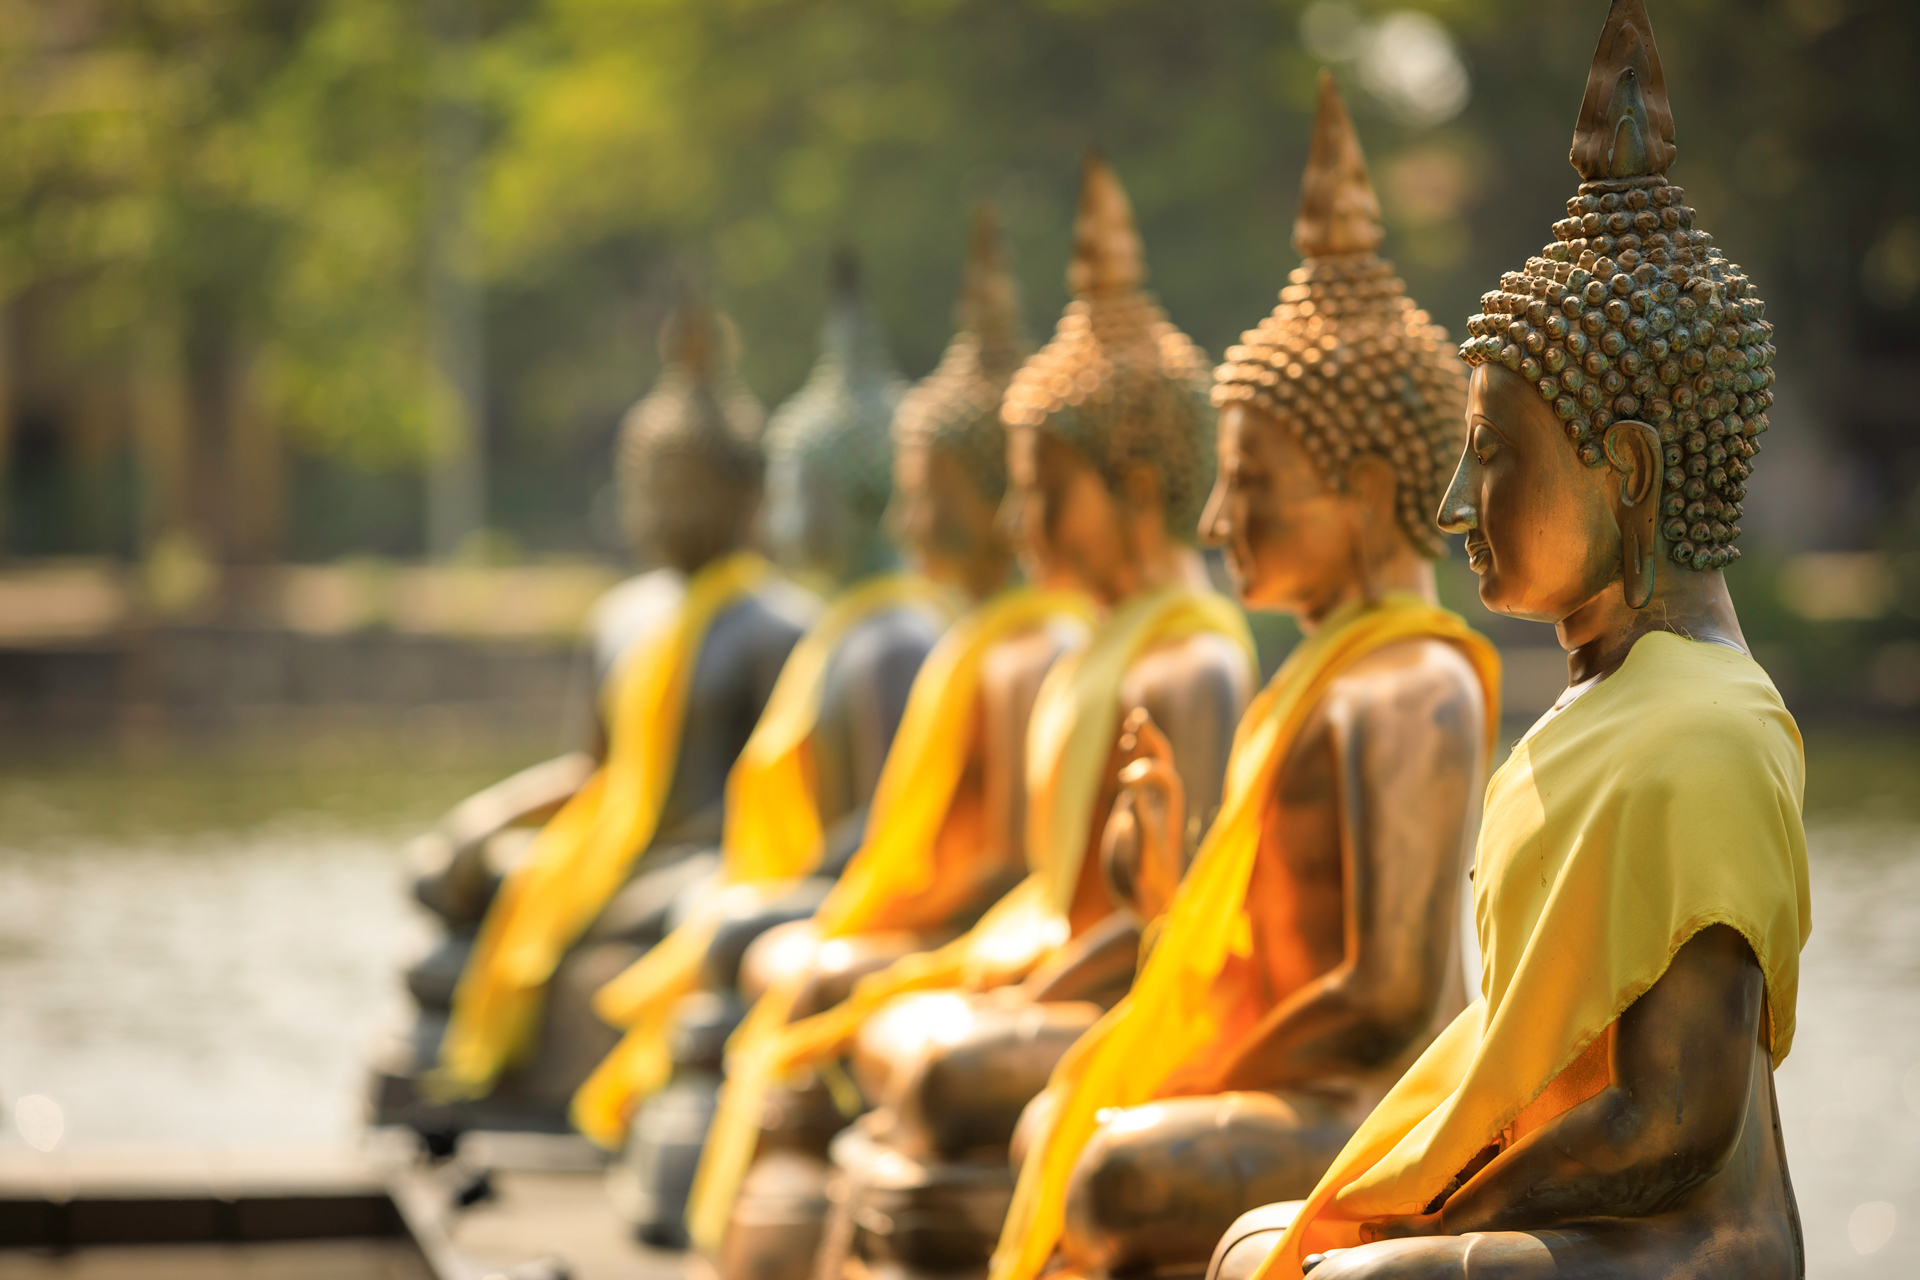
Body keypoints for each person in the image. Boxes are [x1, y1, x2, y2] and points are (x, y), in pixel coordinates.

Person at [1214, 4, 1809, 1277]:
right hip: (1567, 1207)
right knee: (1259, 1242)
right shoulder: (1600, 706)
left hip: (1687, 1244)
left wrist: (1433, 1210)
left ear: (1628, 469)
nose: (1453, 507)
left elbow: (1674, 1122)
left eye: (1491, 457)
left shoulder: (1706, 729)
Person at [991, 71, 1501, 1280]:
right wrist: (1162, 888)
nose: (1219, 519)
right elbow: (1255, 944)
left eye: (1254, 485)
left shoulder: (1407, 687)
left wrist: (1201, 1059)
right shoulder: (1314, 677)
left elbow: (1385, 995)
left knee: (1110, 1162)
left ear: (1365, 489)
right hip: (1291, 1074)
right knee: (1062, 1116)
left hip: (1371, 1096)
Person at [771, 153, 1258, 1279]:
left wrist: (1028, 985)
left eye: (1043, 492)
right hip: (1045, 960)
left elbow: (1175, 922)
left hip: (1123, 990)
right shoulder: (1090, 652)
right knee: (880, 1030)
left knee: (937, 1068)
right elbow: (1038, 877)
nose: (1015, 521)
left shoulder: (1192, 665)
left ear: (1139, 489)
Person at [692, 204, 1098, 1280]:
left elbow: (1014, 863)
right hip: (947, 915)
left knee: (807, 971)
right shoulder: (962, 645)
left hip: (992, 930)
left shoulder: (1029, 651)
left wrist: (888, 907)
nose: (911, 526)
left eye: (929, 500)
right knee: (774, 956)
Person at [573, 255, 953, 1243]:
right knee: (718, 930)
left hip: (858, 889)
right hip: (782, 874)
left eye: (795, 494)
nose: (774, 522)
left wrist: (796, 876)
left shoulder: (892, 641)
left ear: (862, 499)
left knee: (728, 930)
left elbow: (892, 824)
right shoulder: (836, 633)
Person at [393, 292, 814, 1136]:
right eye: (647, 485)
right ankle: (468, 1069)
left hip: (704, 857)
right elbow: (592, 771)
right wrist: (484, 820)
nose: (661, 506)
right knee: (443, 873)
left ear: (743, 495)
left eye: (682, 486)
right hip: (610, 850)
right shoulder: (621, 617)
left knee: (709, 916)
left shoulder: (780, 626)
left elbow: (789, 800)